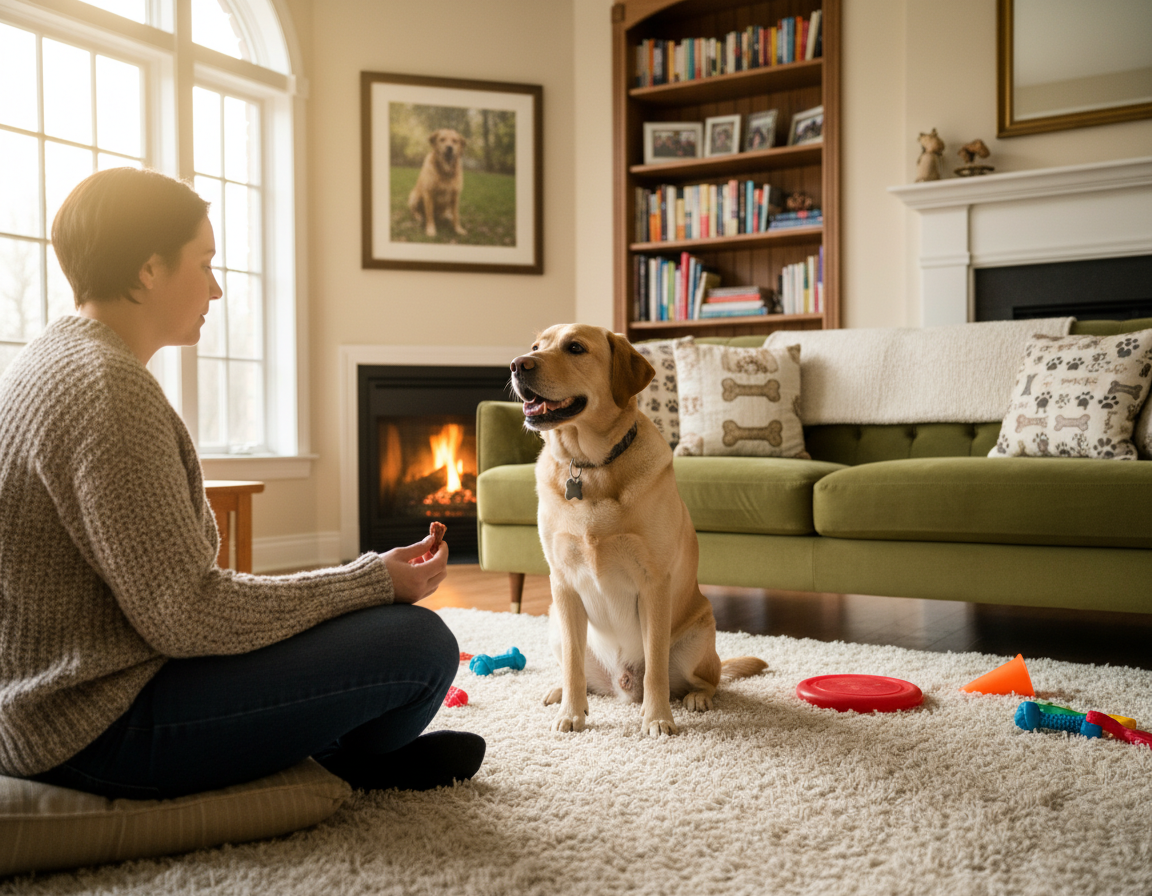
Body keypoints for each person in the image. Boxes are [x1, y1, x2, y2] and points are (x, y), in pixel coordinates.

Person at [0, 167, 484, 800]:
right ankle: (344, 761)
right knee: (418, 645)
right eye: (204, 264)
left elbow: (174, 608)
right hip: (94, 729)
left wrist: (358, 591)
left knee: (359, 624)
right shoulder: (108, 391)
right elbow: (189, 615)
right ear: (149, 270)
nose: (217, 287)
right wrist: (369, 582)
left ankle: (321, 747)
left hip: (58, 706)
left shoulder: (52, 361)